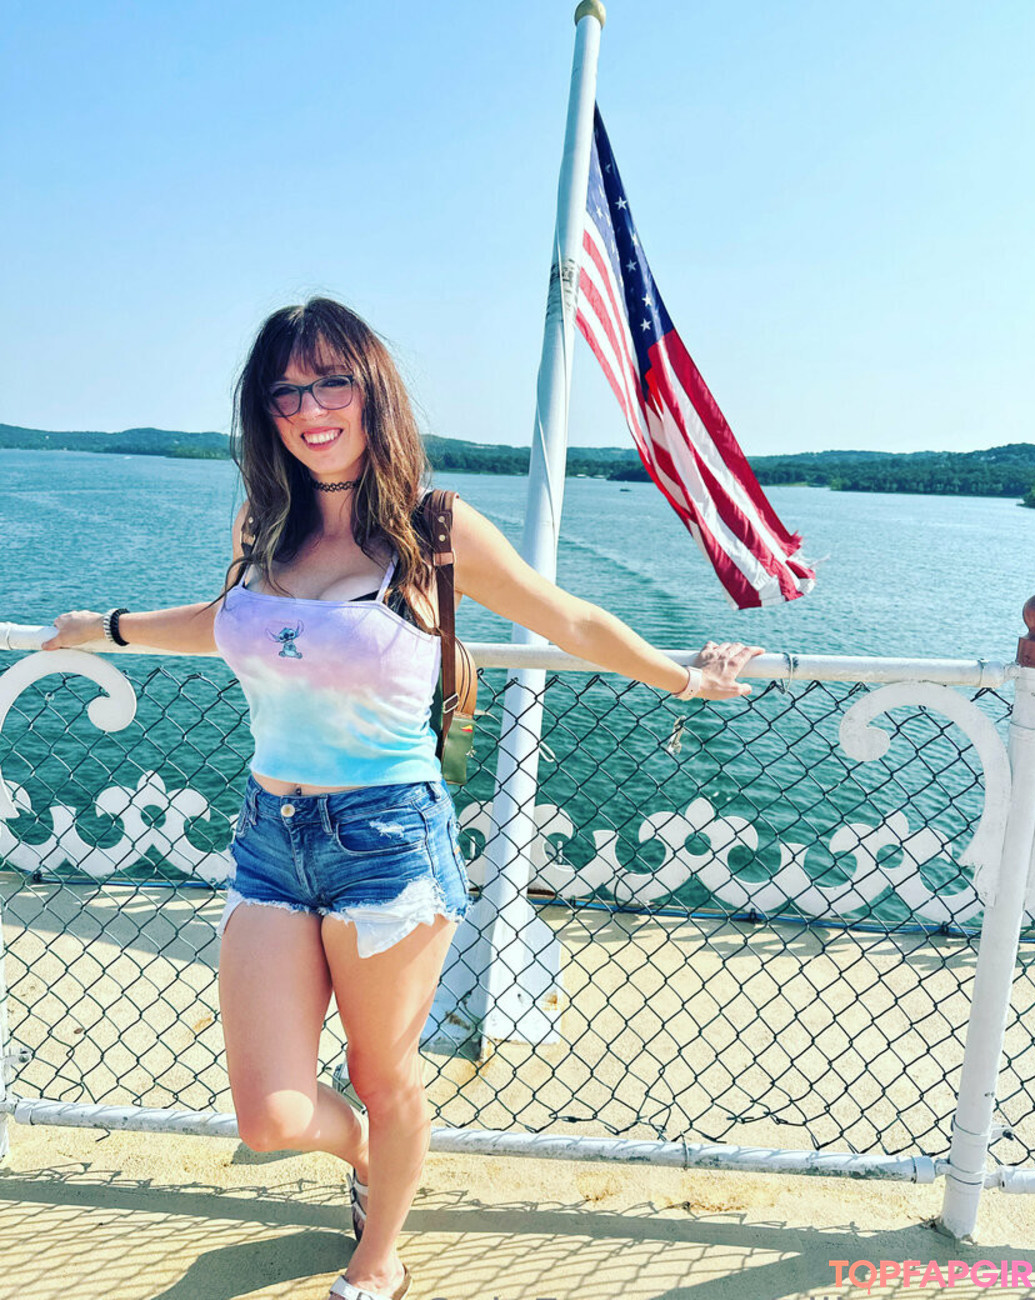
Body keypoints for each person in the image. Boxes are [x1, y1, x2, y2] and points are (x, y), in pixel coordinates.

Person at [43, 297, 766, 1300]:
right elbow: (231, 620)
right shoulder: (262, 523)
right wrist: (110, 626)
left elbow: (567, 619)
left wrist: (687, 678)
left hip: (387, 839)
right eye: (286, 392)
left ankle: (378, 1254)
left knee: (385, 1077)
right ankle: (373, 1159)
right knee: (270, 1117)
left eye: (330, 382)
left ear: (372, 390)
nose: (310, 409)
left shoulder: (433, 529)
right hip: (268, 837)